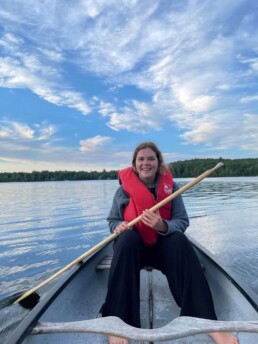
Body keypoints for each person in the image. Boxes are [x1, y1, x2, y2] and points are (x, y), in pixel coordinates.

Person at [102, 142, 238, 344]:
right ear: (134, 164)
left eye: (151, 158)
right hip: (133, 249)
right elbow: (112, 221)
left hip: (161, 247)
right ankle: (118, 324)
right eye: (141, 159)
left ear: (158, 162)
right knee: (127, 239)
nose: (145, 163)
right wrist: (119, 227)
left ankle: (207, 322)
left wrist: (162, 226)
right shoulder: (123, 191)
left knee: (179, 241)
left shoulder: (170, 188)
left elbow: (182, 221)